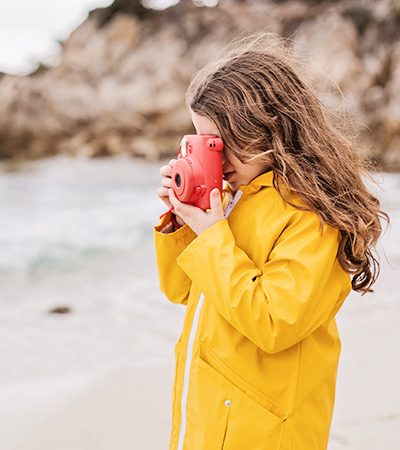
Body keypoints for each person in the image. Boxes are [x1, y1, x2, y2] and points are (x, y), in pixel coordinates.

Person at [153, 32, 389, 450]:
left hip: (266, 430)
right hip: (207, 416)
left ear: (266, 129)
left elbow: (275, 322)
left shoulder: (313, 215)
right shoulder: (231, 200)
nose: (215, 158)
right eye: (204, 143)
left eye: (221, 143)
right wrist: (182, 222)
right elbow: (180, 290)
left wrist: (212, 234)